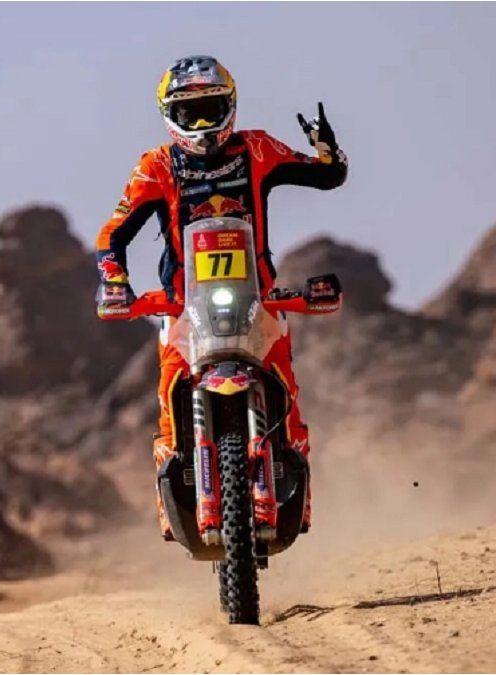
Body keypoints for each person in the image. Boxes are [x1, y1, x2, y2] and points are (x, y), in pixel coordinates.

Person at [94, 55, 347, 536]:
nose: (202, 125)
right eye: (189, 114)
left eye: (210, 110)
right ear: (169, 116)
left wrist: (327, 148)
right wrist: (113, 279)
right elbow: (113, 233)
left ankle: (297, 493)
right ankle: (173, 502)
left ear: (230, 105)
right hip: (184, 307)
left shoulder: (257, 148)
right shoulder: (155, 166)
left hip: (257, 297)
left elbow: (326, 175)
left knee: (288, 393)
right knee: (169, 402)